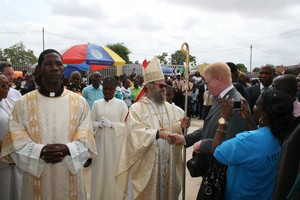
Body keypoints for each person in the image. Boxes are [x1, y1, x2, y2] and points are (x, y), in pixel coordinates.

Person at [0, 49, 97, 200]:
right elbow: (15, 139)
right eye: (48, 64)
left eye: (58, 64)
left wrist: (68, 149)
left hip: (69, 174)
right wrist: (40, 151)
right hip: (36, 177)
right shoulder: (23, 104)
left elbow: (87, 136)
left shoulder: (79, 103)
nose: (54, 68)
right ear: (39, 69)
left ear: (63, 70)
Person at [169, 61, 248, 199]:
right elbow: (209, 128)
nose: (206, 86)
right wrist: (185, 139)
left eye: (208, 82)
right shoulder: (221, 98)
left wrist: (204, 144)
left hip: (223, 172)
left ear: (219, 79)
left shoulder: (236, 103)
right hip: (212, 166)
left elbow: (233, 143)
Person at [116, 56, 190, 200]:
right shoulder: (137, 109)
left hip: (168, 161)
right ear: (149, 86)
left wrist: (180, 126)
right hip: (148, 166)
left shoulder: (171, 108)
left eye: (165, 86)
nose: (164, 89)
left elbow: (174, 129)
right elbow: (134, 133)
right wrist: (157, 134)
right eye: (161, 86)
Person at [212, 90, 295, 200]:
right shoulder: (287, 135)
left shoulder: (246, 140)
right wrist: (249, 119)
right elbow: (262, 142)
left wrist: (224, 118)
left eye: (256, 104)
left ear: (263, 114)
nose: (253, 107)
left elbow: (217, 151)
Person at [90, 77, 128, 200]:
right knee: (99, 172)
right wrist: (98, 125)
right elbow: (90, 123)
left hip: (115, 144)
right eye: (105, 89)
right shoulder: (97, 104)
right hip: (100, 144)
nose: (107, 92)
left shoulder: (121, 104)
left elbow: (127, 125)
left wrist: (113, 125)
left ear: (115, 89)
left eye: (110, 89)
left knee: (113, 171)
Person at [0, 74, 22, 200]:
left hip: (13, 155)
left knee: (14, 190)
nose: (7, 88)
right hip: (3, 157)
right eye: (3, 86)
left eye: (8, 85)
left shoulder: (8, 102)